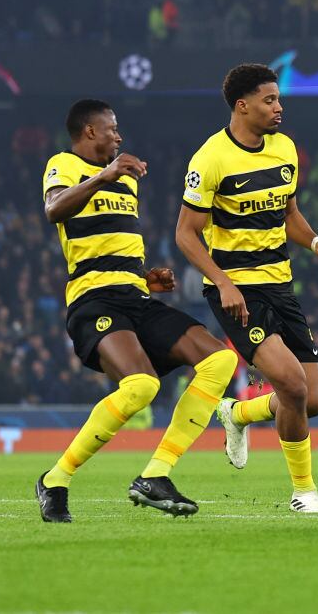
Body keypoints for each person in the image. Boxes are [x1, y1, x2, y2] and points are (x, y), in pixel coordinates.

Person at [35, 99, 238, 523]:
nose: (118, 135)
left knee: (219, 359)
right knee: (141, 386)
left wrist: (147, 277)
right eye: (111, 128)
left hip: (135, 296)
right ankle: (55, 479)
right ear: (89, 131)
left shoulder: (127, 183)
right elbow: (55, 208)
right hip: (93, 300)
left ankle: (156, 475)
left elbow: (111, 244)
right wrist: (105, 175)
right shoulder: (65, 164)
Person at [176, 64, 318, 514]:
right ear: (242, 106)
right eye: (269, 100)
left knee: (315, 399)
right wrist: (223, 282)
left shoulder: (284, 149)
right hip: (237, 291)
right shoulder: (210, 159)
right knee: (290, 384)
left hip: (280, 285)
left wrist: (316, 241)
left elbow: (289, 212)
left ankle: (238, 413)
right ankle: (303, 493)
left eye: (278, 99)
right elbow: (186, 234)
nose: (279, 107)